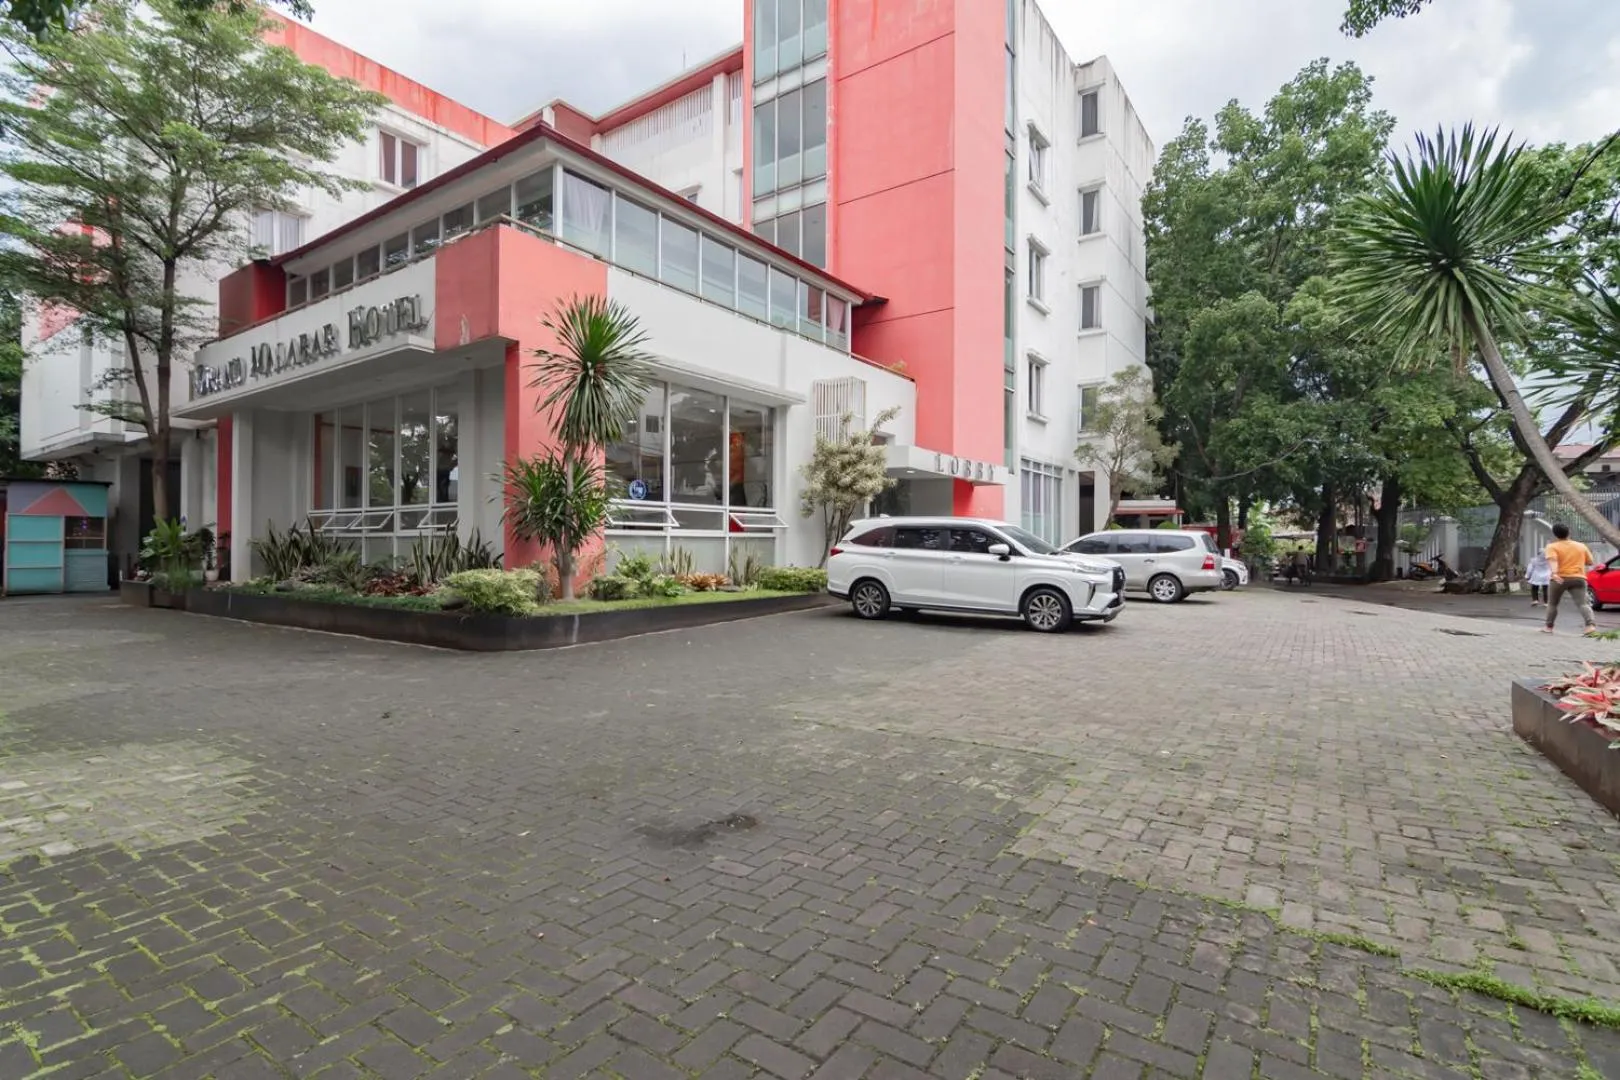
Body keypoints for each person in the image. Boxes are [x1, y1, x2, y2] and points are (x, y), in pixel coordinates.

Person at [1542, 522, 1598, 636]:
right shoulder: (1581, 546)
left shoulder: (1552, 546)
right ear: (1569, 532)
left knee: (1552, 604)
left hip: (1560, 578)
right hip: (1578, 577)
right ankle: (1590, 625)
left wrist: (1555, 573)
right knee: (1583, 603)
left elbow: (1553, 561)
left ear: (1555, 535)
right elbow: (1590, 561)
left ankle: (1548, 627)